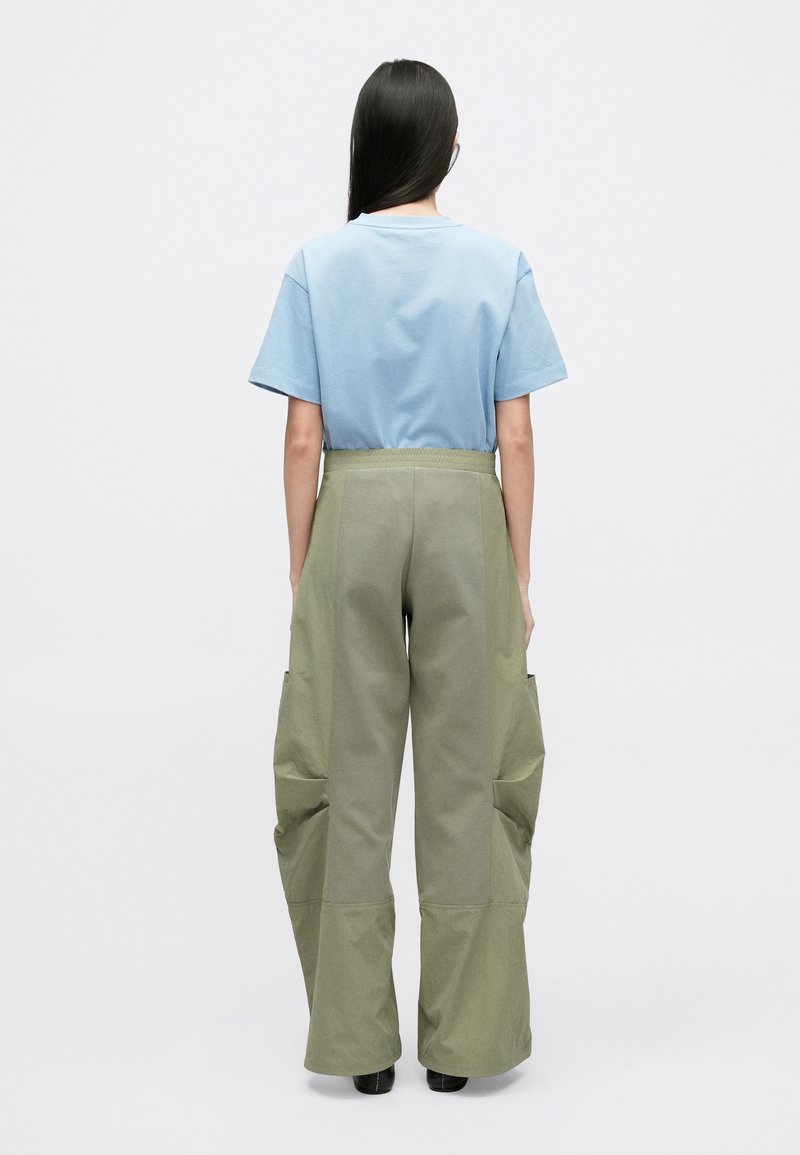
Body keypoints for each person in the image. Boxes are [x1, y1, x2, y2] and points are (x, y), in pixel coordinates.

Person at [247, 58, 567, 1095]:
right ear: (447, 147)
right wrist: (518, 570)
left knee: (340, 774)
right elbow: (516, 435)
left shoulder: (317, 263)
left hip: (354, 503)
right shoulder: (499, 263)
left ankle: (358, 1044)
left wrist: (303, 567)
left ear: (367, 145)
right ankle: (463, 1047)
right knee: (474, 772)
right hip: (467, 510)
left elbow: (302, 438)